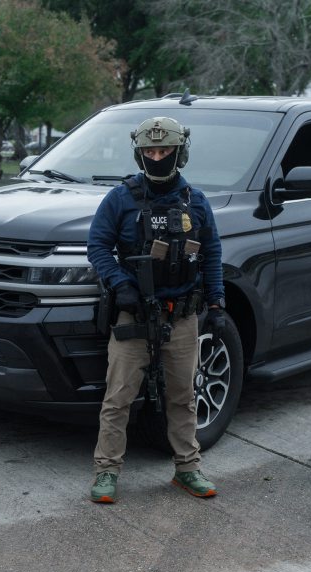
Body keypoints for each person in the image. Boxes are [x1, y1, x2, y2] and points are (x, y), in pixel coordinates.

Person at [86, 116, 226, 503]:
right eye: (150, 151)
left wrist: (217, 303)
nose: (157, 157)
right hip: (133, 316)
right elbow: (97, 246)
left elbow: (212, 252)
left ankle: (187, 468)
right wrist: (121, 285)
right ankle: (106, 471)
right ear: (139, 154)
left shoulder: (195, 201)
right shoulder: (120, 198)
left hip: (181, 316)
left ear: (180, 154)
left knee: (182, 396)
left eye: (165, 151)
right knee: (118, 398)